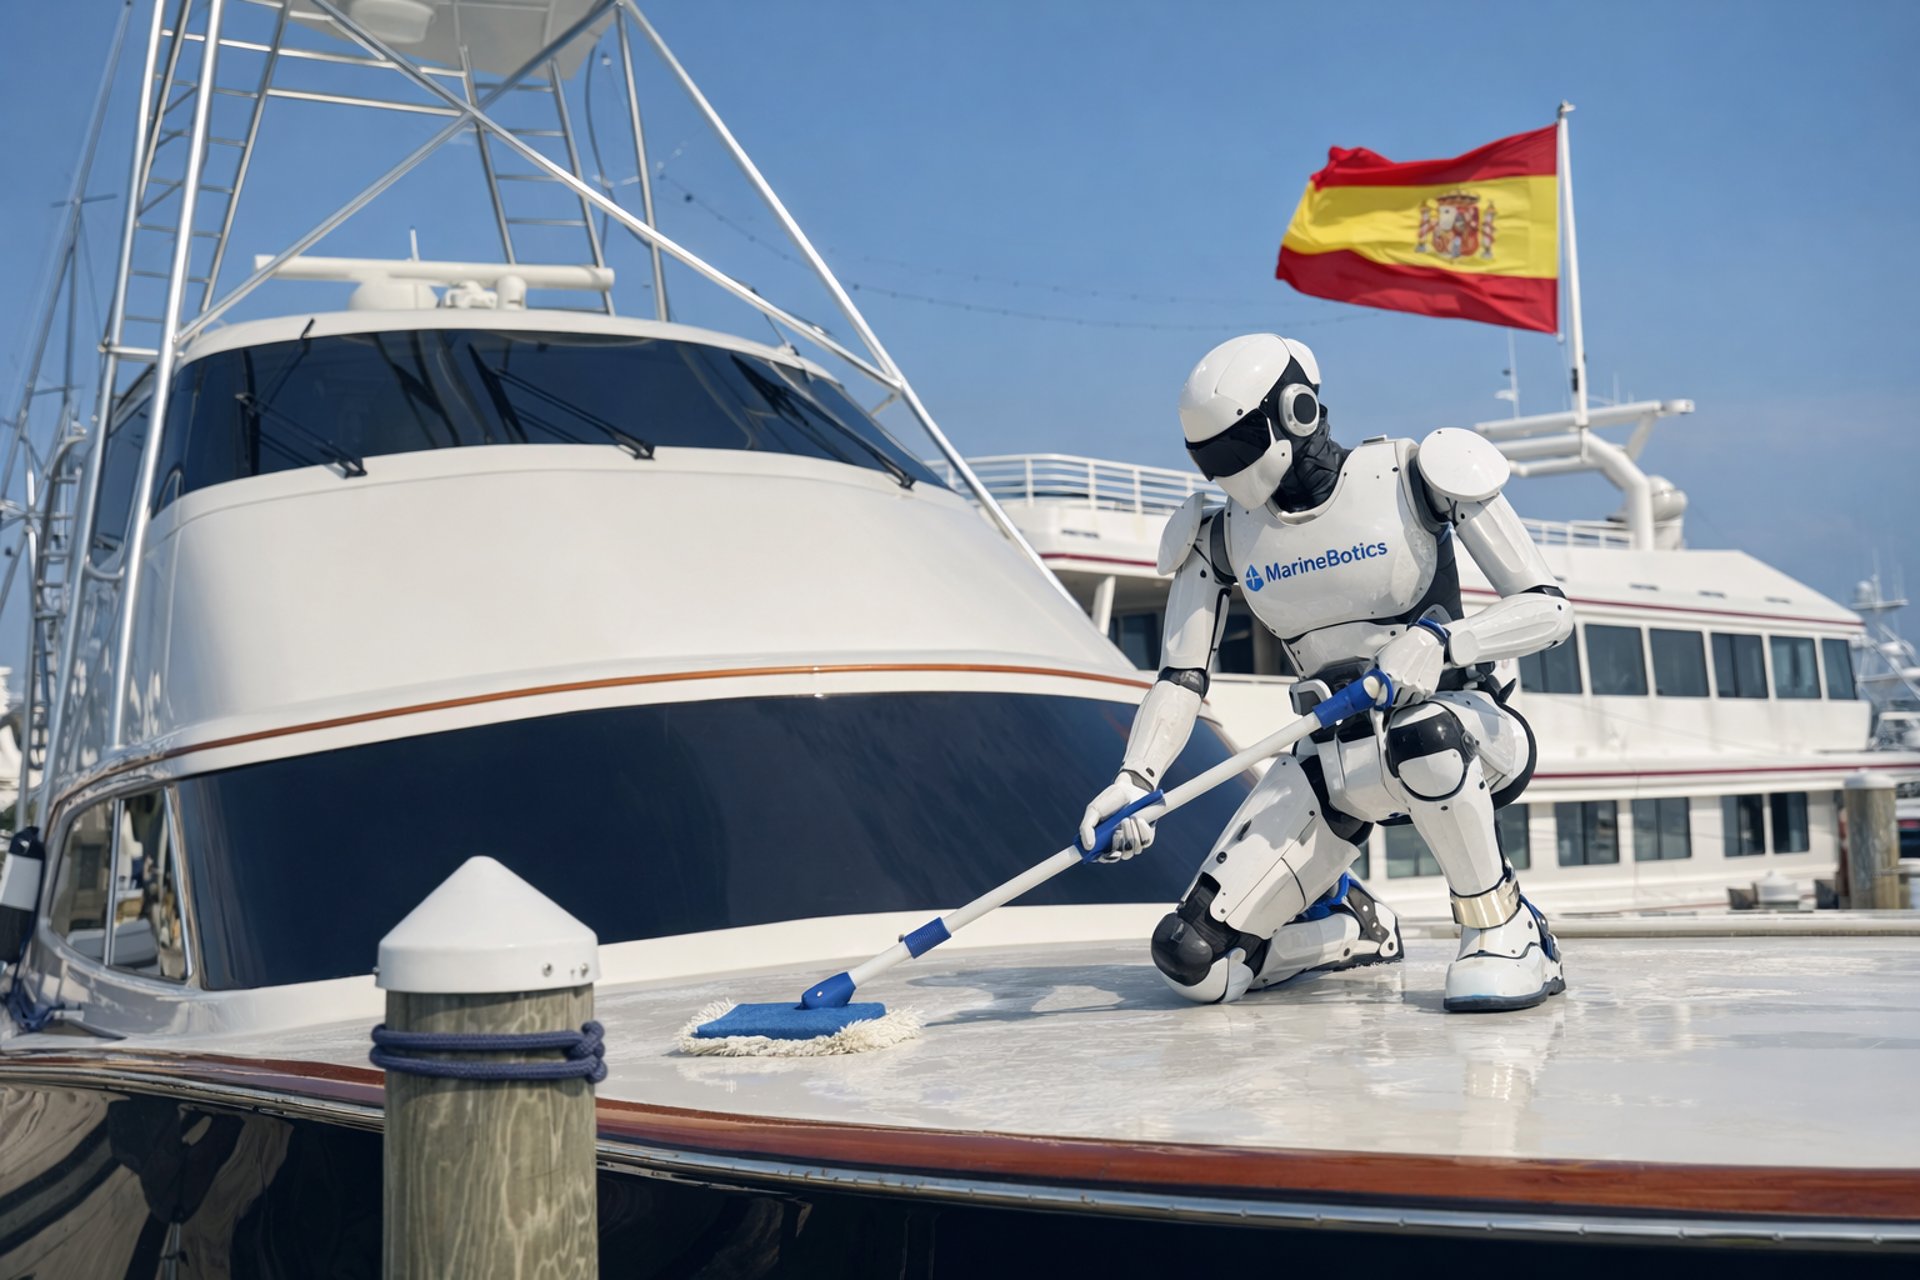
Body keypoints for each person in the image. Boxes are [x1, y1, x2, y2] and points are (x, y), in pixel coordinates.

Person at [1080, 334, 1573, 1012]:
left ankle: (1504, 927)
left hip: (1462, 731)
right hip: (1333, 759)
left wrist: (1441, 642)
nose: (1227, 473)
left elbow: (1548, 610)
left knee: (1421, 734)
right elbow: (1180, 677)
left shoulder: (1418, 475)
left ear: (1297, 410)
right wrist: (1135, 781)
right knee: (1193, 961)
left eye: (1236, 448)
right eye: (1211, 459)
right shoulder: (1220, 536)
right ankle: (1348, 929)